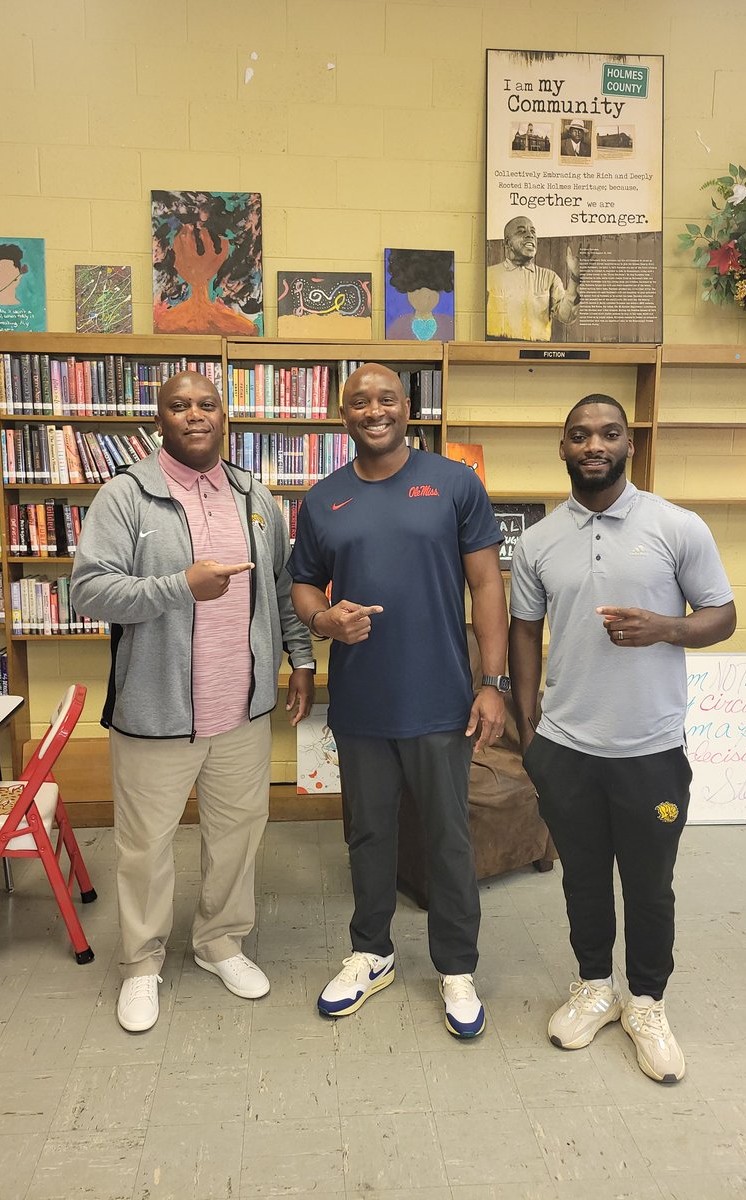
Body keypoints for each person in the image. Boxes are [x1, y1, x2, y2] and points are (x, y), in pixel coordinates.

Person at [70, 370, 314, 1033]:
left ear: (224, 415)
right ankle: (142, 963)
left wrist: (301, 660)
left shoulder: (254, 495)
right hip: (154, 718)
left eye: (207, 404)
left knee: (236, 835)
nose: (196, 415)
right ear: (161, 419)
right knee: (144, 848)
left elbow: (282, 588)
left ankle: (219, 943)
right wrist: (179, 586)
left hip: (241, 712)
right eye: (180, 406)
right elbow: (87, 591)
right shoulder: (126, 496)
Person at [508, 394, 736, 1083]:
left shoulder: (676, 526)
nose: (594, 444)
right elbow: (523, 630)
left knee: (649, 884)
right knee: (582, 877)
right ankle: (592, 986)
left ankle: (645, 1002)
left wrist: (665, 628)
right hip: (567, 747)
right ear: (564, 448)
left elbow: (721, 616)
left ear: (628, 443)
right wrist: (529, 726)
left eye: (608, 433)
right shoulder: (542, 539)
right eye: (580, 435)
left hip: (651, 750)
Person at [288, 363, 508, 1038]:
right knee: (368, 834)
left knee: (447, 838)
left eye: (386, 399)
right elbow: (301, 589)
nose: (373, 410)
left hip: (441, 699)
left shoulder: (454, 483)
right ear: (342, 413)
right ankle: (372, 953)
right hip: (360, 704)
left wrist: (492, 683)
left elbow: (488, 587)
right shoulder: (323, 500)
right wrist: (325, 621)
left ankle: (456, 967)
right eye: (360, 401)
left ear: (406, 408)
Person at [486, 215, 580, 341]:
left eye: (533, 231)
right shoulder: (489, 275)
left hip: (537, 355)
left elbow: (566, 316)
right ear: (508, 242)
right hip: (500, 353)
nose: (530, 235)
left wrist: (575, 277)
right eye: (521, 231)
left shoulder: (549, 277)